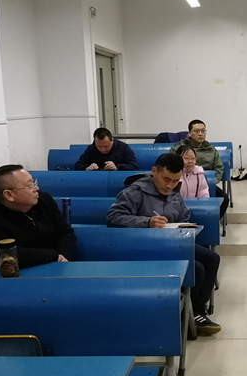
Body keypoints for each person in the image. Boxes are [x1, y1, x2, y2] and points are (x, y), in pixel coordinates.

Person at [106, 153, 221, 335]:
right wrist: (146, 222)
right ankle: (189, 315)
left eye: (175, 181)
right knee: (197, 268)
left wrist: (182, 228)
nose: (169, 186)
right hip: (145, 247)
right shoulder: (135, 192)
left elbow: (184, 215)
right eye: (166, 179)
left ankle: (197, 310)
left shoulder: (175, 193)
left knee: (212, 258)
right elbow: (113, 217)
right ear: (154, 171)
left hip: (172, 243)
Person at [0, 164, 77, 269]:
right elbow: (4, 255)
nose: (36, 188)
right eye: (29, 185)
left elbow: (65, 232)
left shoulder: (44, 200)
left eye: (34, 182)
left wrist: (64, 256)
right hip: (22, 272)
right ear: (9, 195)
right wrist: (53, 256)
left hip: (59, 265)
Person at [170, 120, 228, 217]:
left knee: (224, 198)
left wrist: (212, 182)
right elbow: (171, 165)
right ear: (189, 133)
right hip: (182, 180)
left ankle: (211, 220)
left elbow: (219, 168)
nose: (200, 134)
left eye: (203, 131)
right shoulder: (178, 148)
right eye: (196, 131)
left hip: (206, 182)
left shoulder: (211, 149)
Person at [74, 127, 139, 171]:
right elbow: (78, 165)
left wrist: (117, 167)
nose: (103, 149)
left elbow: (134, 166)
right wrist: (87, 168)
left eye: (106, 146)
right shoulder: (91, 148)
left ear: (112, 140)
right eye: (99, 146)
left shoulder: (123, 147)